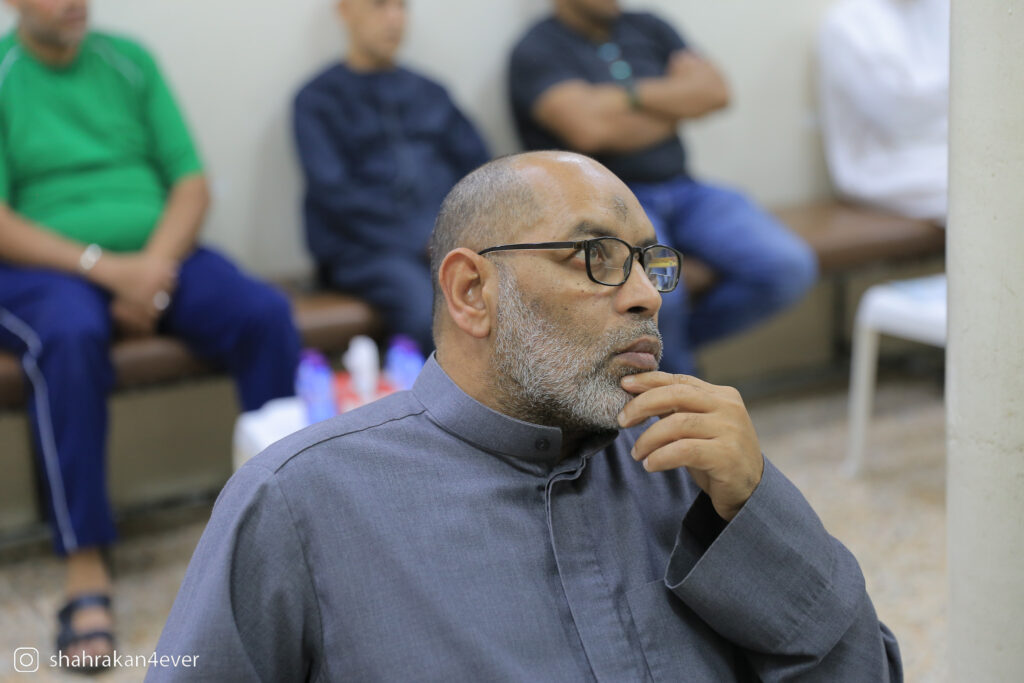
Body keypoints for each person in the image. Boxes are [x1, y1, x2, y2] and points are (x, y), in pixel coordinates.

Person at [150, 151, 901, 681]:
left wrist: (758, 509)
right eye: (596, 255)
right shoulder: (300, 502)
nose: (646, 294)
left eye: (649, 262)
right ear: (472, 292)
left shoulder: (688, 467)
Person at [0, 0, 301, 669]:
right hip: (44, 270)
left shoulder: (129, 61)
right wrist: (107, 270)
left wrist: (151, 272)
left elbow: (190, 183)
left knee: (264, 314)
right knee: (69, 336)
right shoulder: (4, 74)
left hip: (155, 257)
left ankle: (289, 526)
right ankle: (84, 564)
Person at [508, 0, 818, 376]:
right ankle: (675, 388)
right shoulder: (537, 49)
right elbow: (588, 130)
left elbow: (715, 93)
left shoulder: (649, 26)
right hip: (607, 203)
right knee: (658, 292)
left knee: (788, 266)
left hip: (685, 191)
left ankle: (666, 353)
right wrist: (675, 105)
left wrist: (624, 99)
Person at [293, 0, 489, 356]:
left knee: (519, 296)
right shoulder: (317, 101)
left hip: (450, 241)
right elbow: (335, 195)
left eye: (401, 6)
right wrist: (422, 237)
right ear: (345, 11)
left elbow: (482, 171)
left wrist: (459, 232)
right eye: (380, 5)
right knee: (430, 314)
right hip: (368, 251)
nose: (394, 18)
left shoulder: (431, 93)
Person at [818, 0, 949, 222]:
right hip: (884, 168)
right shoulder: (850, 22)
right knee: (985, 191)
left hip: (940, 152)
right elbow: (902, 116)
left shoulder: (943, 9)